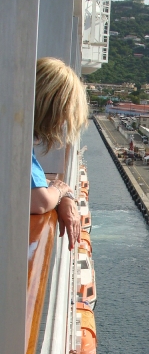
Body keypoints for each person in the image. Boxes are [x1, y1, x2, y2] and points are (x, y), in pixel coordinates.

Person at [30, 58, 88, 250]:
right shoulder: (17, 141)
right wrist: (60, 191)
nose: (62, 123)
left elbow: (32, 186)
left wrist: (65, 195)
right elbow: (40, 201)